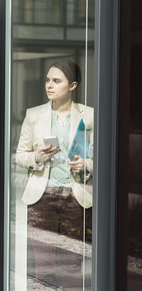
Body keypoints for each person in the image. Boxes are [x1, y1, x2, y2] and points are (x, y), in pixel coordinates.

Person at [16, 60, 94, 289]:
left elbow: (104, 156)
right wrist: (37, 158)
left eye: (56, 81)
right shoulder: (34, 115)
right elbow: (20, 155)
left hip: (76, 197)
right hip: (42, 198)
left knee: (72, 263)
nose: (49, 85)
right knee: (44, 265)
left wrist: (86, 164)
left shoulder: (88, 115)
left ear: (73, 85)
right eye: (47, 80)